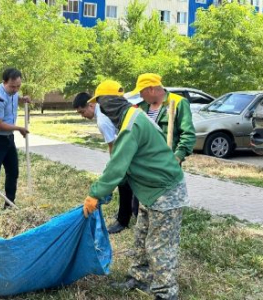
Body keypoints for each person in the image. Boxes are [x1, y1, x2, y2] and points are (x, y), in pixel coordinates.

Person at [83, 80, 189, 300]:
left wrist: (95, 193)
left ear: (109, 103)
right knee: (140, 239)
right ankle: (138, 278)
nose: (101, 111)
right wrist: (107, 188)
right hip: (150, 192)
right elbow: (121, 163)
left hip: (165, 192)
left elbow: (118, 165)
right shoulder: (132, 118)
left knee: (159, 246)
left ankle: (166, 293)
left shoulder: (132, 123)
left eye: (101, 104)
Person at [72, 86, 137, 234]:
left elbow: (113, 146)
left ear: (91, 104)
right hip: (132, 146)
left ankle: (123, 220)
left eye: (82, 112)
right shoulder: (105, 110)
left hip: (127, 151)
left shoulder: (102, 119)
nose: (82, 116)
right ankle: (133, 212)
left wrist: (114, 168)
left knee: (123, 184)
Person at [0, 68, 31, 211]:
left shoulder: (13, 92)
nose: (15, 89)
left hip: (8, 138)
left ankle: (9, 206)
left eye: (18, 86)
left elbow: (15, 97)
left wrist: (22, 99)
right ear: (4, 83)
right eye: (12, 86)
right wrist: (18, 128)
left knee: (13, 171)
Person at [132, 73, 196, 164]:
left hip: (165, 163)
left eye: (141, 92)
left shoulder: (179, 102)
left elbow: (188, 134)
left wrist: (177, 157)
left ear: (151, 89)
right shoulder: (142, 106)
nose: (141, 96)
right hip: (143, 161)